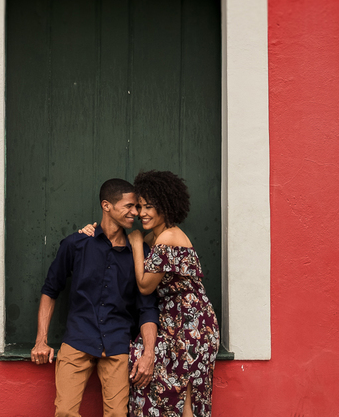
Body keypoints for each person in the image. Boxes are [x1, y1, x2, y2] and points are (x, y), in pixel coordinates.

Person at [81, 170, 219, 417]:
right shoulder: (153, 237)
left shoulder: (168, 237)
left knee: (186, 393)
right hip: (170, 321)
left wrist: (135, 244)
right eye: (140, 206)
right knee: (161, 387)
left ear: (165, 207)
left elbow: (145, 286)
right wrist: (91, 230)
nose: (142, 213)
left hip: (191, 324)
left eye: (149, 207)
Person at [32, 178, 159, 417]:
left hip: (117, 343)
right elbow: (51, 289)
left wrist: (148, 354)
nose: (136, 212)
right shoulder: (77, 243)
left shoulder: (139, 252)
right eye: (129, 206)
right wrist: (41, 340)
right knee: (65, 413)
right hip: (78, 338)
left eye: (137, 207)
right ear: (106, 205)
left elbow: (148, 307)